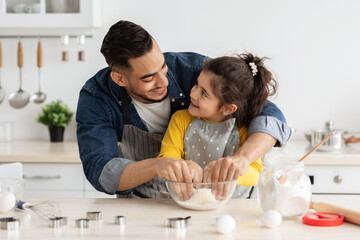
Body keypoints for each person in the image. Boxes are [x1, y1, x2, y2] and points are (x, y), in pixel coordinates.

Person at [76, 20, 291, 198]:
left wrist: (242, 160)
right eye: (149, 78)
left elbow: (268, 112)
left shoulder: (193, 69)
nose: (164, 82)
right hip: (143, 206)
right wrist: (157, 166)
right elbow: (100, 170)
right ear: (119, 79)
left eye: (163, 67)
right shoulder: (97, 97)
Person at [158, 54, 275, 200]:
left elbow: (255, 173)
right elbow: (167, 156)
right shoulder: (181, 119)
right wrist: (184, 167)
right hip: (189, 202)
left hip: (233, 206)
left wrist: (229, 173)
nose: (193, 94)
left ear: (227, 109)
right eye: (196, 85)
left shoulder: (242, 129)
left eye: (204, 93)